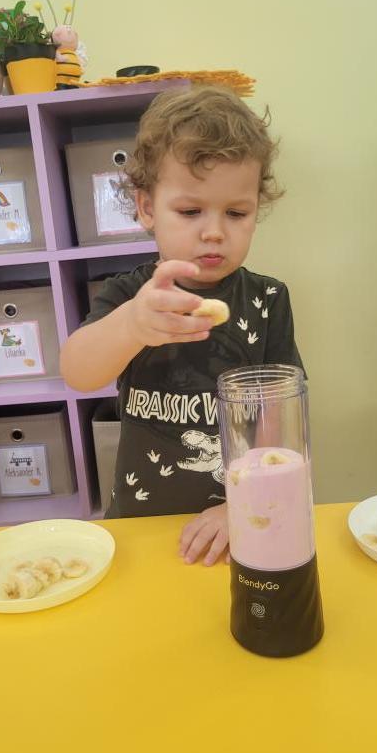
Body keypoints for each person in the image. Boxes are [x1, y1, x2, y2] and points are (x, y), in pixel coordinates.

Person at [60, 86, 304, 566]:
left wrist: (243, 504)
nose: (214, 231)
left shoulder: (269, 299)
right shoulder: (132, 295)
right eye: (190, 211)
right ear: (147, 208)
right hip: (139, 520)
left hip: (240, 520)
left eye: (237, 213)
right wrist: (132, 325)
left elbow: (277, 417)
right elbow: (77, 372)